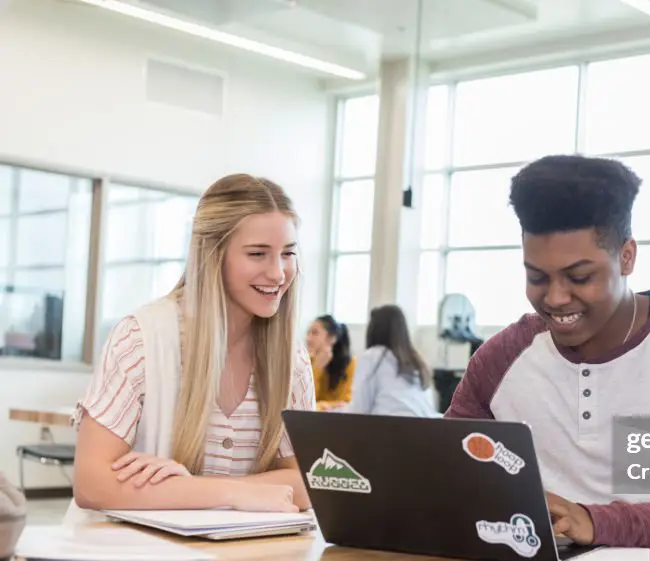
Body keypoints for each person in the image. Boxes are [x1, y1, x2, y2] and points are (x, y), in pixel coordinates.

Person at [444, 154, 650, 548]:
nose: (556, 298)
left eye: (580, 277)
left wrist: (597, 522)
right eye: (536, 277)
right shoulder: (500, 358)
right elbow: (449, 477)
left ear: (626, 257)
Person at [66, 174, 315, 524]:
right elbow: (92, 483)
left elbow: (307, 483)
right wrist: (235, 493)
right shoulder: (139, 339)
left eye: (288, 254)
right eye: (258, 254)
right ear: (212, 254)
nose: (277, 273)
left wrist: (189, 487)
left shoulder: (293, 361)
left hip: (242, 560)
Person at [345, 304, 438, 418]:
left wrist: (336, 411)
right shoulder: (418, 362)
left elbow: (359, 410)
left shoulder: (372, 357)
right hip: (428, 430)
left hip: (391, 429)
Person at [306, 314, 355, 409]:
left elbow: (345, 404)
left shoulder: (350, 363)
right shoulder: (307, 361)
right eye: (308, 333)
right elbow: (306, 400)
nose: (308, 338)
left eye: (314, 333)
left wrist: (319, 406)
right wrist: (316, 368)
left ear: (332, 338)